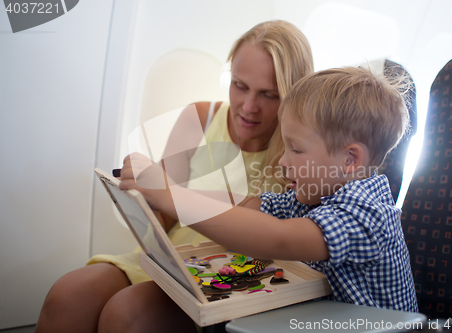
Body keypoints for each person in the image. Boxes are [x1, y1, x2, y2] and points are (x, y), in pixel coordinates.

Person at [35, 20, 313, 333]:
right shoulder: (199, 117)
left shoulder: (299, 152)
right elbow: (164, 216)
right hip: (171, 258)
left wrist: (169, 194)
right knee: (67, 295)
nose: (249, 107)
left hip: (230, 274)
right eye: (239, 85)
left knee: (127, 313)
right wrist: (140, 197)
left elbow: (285, 238)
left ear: (292, 94)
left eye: (268, 95)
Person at [120, 67, 419, 315]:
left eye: (297, 149)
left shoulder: (366, 214)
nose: (282, 160)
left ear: (350, 159)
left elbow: (279, 239)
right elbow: (249, 205)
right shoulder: (316, 195)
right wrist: (171, 189)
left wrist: (172, 197)